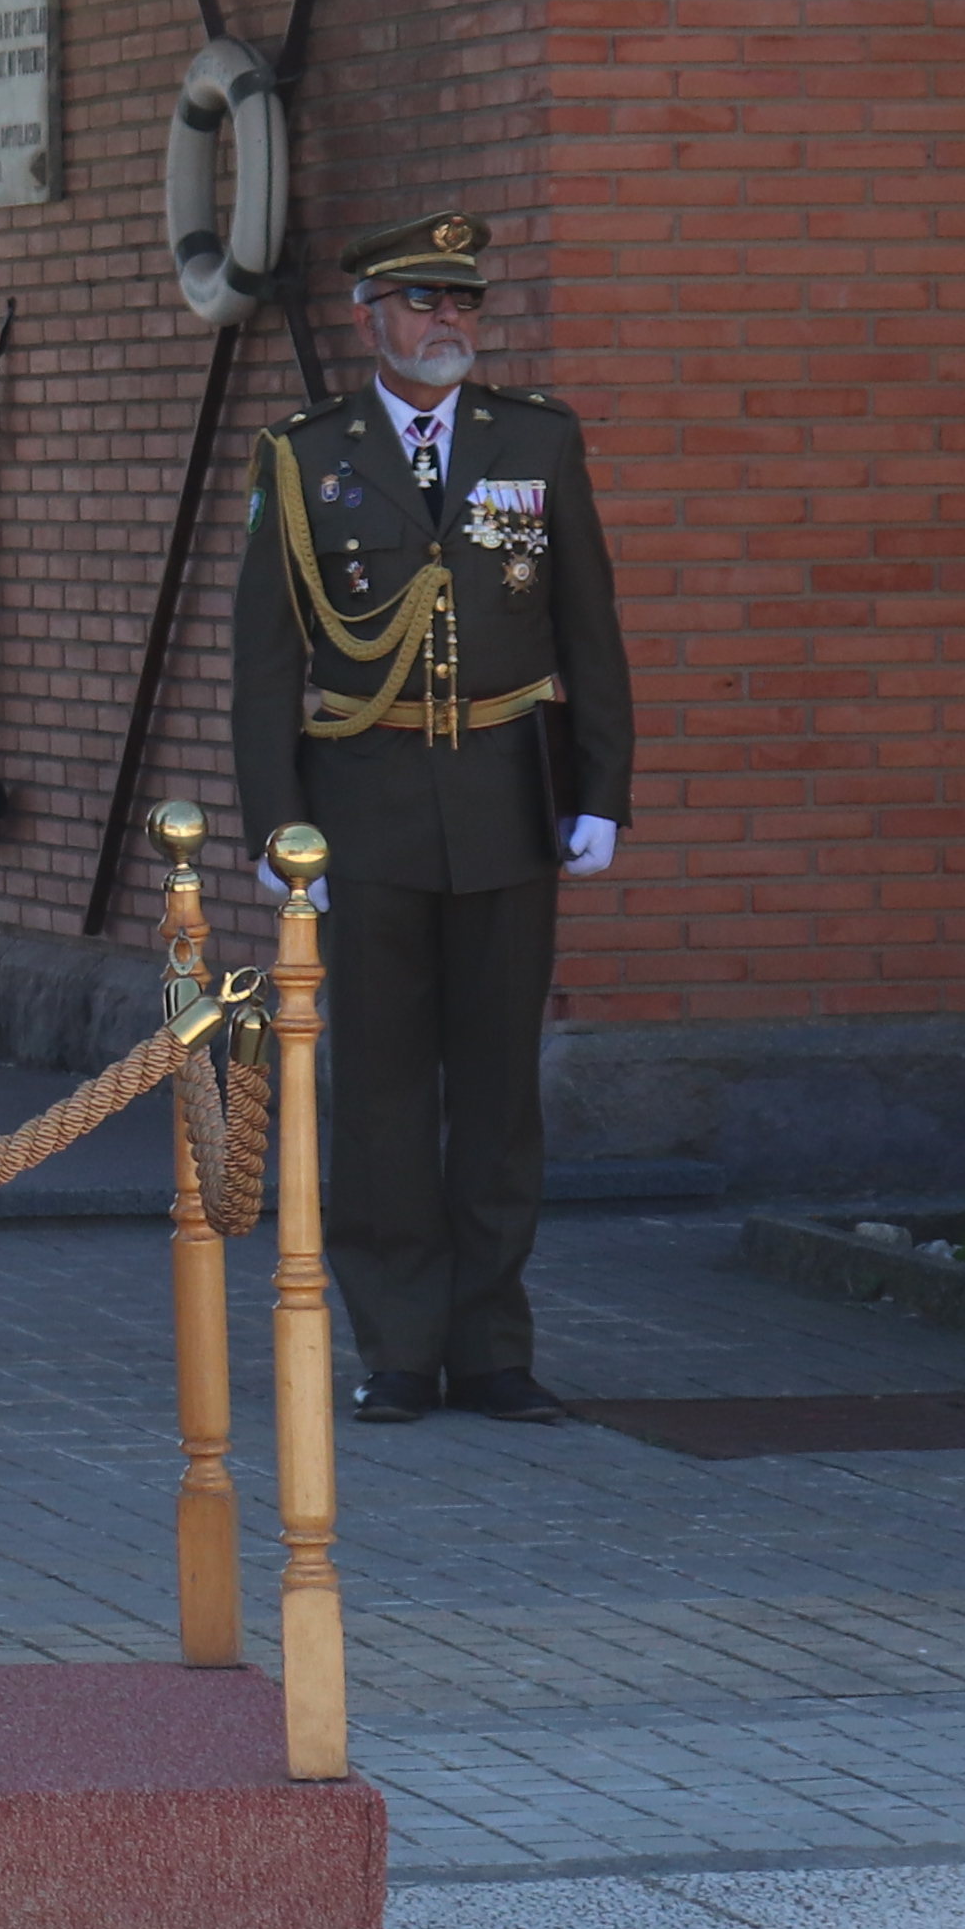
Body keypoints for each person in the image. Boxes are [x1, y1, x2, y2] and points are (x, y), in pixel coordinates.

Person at [224, 211, 636, 1427]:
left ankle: (493, 1344)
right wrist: (276, 825)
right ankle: (400, 1343)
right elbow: (264, 661)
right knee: (387, 1092)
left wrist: (603, 791)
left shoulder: (538, 443)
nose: (447, 323)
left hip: (510, 801)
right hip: (366, 807)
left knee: (501, 1091)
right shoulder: (306, 458)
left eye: (463, 303)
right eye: (421, 302)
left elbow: (589, 630)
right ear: (371, 315)